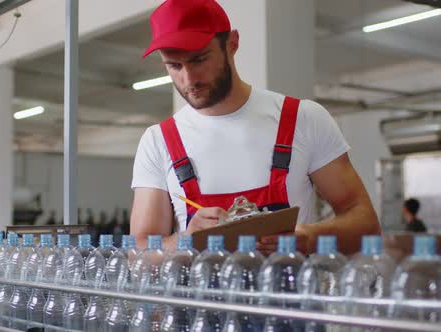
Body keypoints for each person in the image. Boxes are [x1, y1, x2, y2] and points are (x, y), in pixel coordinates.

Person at [130, 0, 380, 255]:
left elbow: (365, 224)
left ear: (232, 44)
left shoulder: (303, 119)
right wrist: (186, 241)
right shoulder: (158, 141)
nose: (188, 79)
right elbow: (137, 253)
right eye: (174, 65)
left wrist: (309, 237)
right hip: (200, 296)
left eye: (199, 60)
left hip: (287, 294)